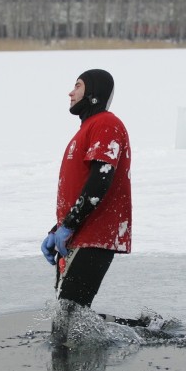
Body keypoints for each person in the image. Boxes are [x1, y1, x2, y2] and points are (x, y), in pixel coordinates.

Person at [41, 68, 132, 344]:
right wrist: (57, 228)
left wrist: (67, 226)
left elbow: (100, 181)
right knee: (67, 322)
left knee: (68, 324)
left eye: (78, 86)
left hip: (95, 236)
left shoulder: (106, 124)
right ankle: (137, 329)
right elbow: (80, 188)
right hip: (77, 235)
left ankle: (140, 334)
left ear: (93, 92)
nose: (71, 92)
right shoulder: (86, 130)